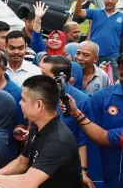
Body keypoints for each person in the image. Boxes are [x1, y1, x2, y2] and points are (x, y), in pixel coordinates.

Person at [0, 75, 82, 188]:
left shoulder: (58, 140)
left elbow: (28, 183)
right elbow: (21, 162)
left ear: (38, 104)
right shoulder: (38, 127)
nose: (20, 103)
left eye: (24, 100)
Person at [39, 55, 94, 187]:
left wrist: (83, 171)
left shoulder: (81, 101)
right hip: (39, 165)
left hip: (66, 169)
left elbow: (83, 140)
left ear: (60, 79)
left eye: (44, 75)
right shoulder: (38, 95)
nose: (39, 79)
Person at [75, 53, 123, 188]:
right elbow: (86, 137)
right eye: (122, 74)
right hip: (105, 178)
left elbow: (102, 136)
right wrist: (84, 170)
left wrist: (77, 114)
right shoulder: (100, 98)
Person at [74, 0, 123, 81]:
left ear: (117, 1)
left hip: (112, 55)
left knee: (112, 80)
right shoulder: (95, 12)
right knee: (91, 78)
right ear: (103, 0)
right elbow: (78, 13)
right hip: (93, 55)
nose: (110, 1)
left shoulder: (121, 16)